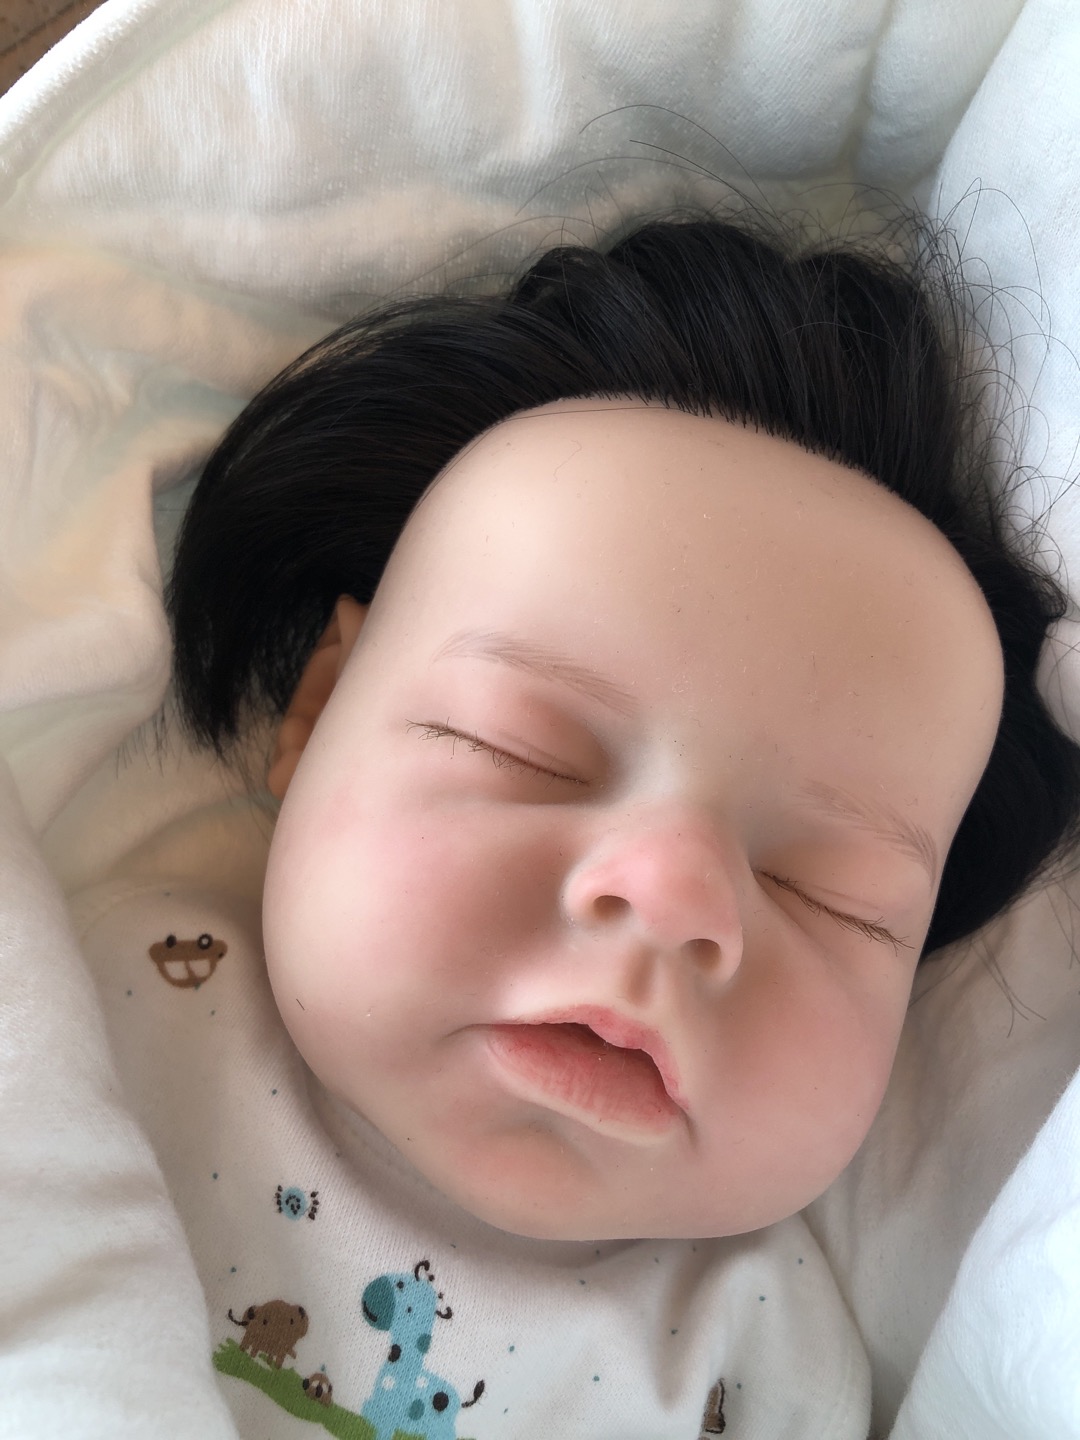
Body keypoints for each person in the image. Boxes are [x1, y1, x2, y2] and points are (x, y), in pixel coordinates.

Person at [77, 215, 1080, 1438]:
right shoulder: (82, 1013)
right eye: (526, 754)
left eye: (830, 892)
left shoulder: (768, 1370)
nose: (674, 892)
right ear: (321, 708)